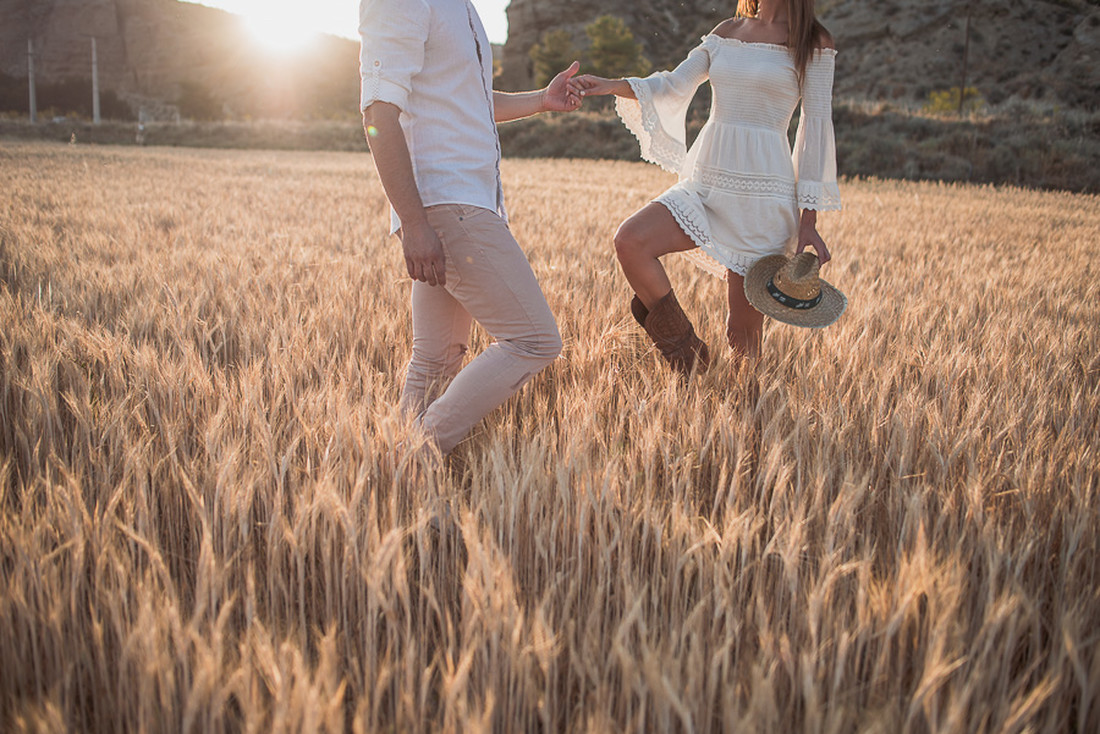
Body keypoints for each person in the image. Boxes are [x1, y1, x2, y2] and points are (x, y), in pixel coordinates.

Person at [360, 0, 583, 455]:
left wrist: (541, 99)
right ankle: (416, 456)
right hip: (445, 203)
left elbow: (473, 100)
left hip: (466, 201)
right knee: (535, 340)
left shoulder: (459, 7)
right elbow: (378, 113)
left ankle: (400, 485)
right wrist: (414, 222)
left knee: (435, 360)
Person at [573, 0, 842, 375]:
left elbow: (815, 128)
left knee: (742, 336)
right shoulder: (726, 32)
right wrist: (610, 85)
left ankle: (751, 422)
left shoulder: (814, 41)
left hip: (762, 199)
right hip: (705, 183)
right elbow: (672, 84)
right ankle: (689, 353)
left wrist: (808, 218)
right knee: (630, 240)